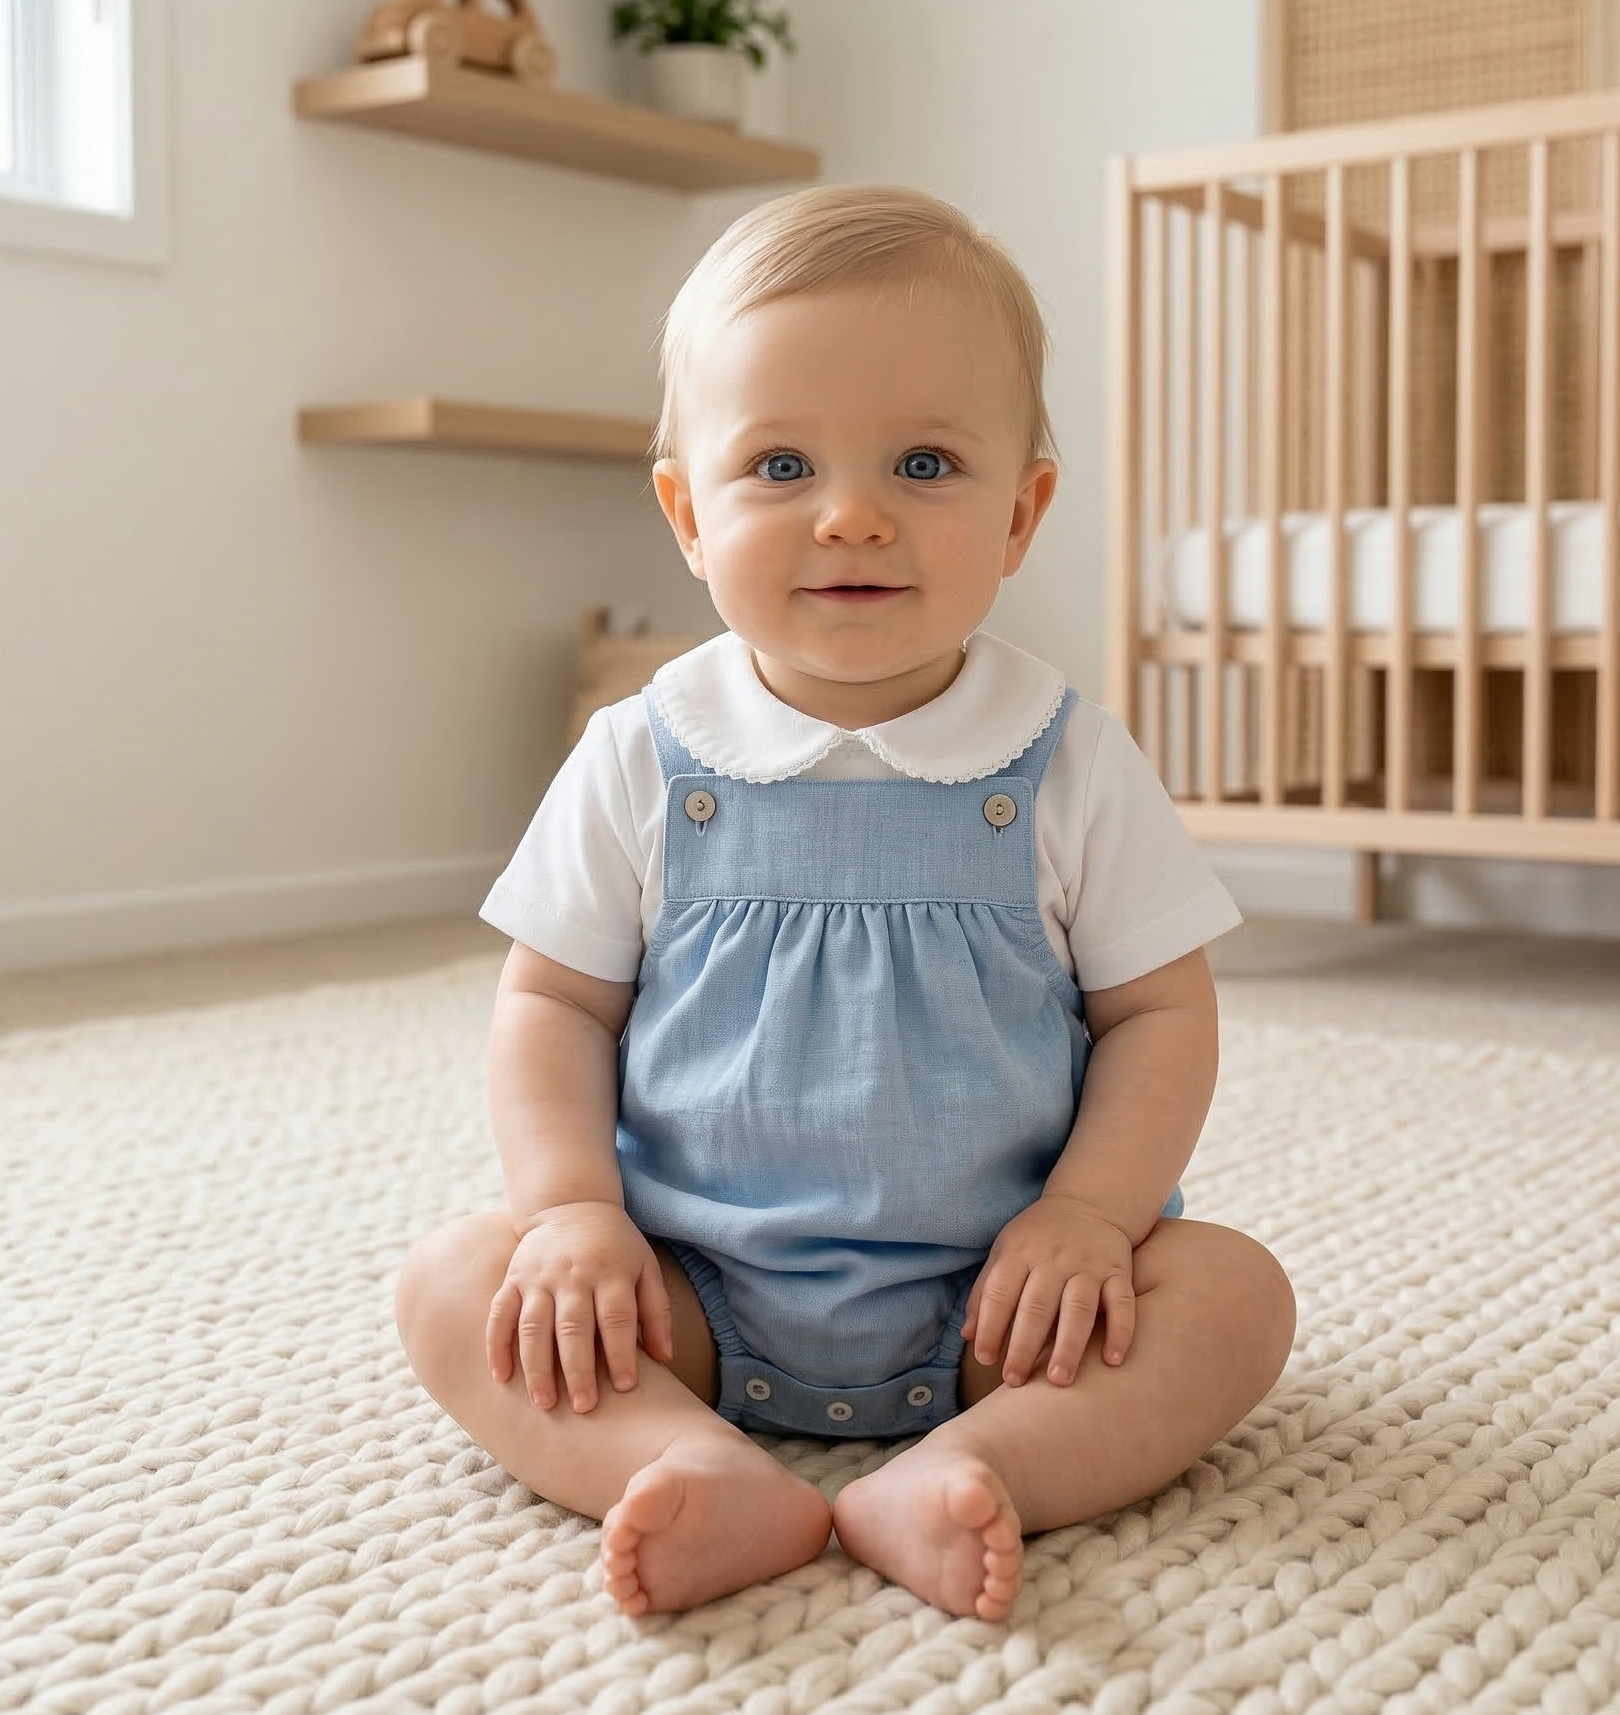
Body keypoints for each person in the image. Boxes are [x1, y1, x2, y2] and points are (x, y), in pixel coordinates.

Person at [395, 184, 1296, 1624]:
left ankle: (974, 1464)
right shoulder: (642, 751)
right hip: (680, 1290)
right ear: (689, 515)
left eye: (926, 461)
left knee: (1236, 1296)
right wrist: (571, 1211)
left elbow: (1159, 1013)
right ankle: (689, 1457)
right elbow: (552, 1000)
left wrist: (1088, 1216)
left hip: (1006, 1307)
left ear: (1022, 513)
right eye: (782, 463)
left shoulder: (1068, 758)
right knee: (456, 1283)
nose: (854, 513)